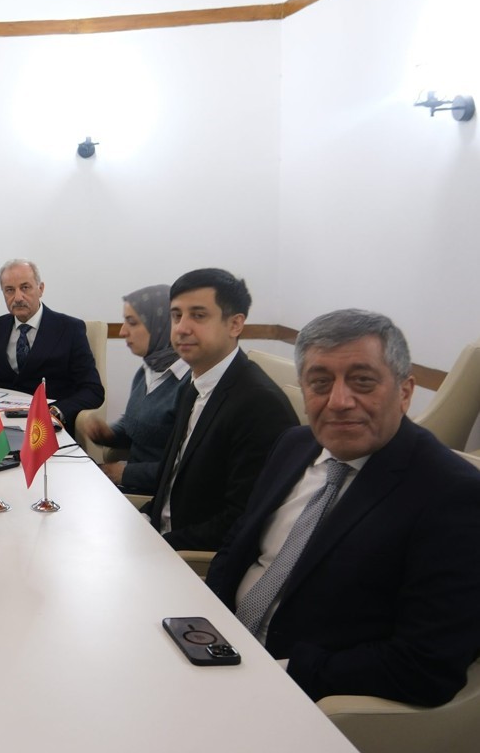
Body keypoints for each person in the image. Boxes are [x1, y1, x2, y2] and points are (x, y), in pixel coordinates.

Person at [207, 310, 480, 706]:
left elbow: (426, 665)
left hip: (304, 695)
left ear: (405, 392)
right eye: (320, 382)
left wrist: (281, 673)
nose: (339, 402)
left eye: (362, 381)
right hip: (219, 651)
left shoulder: (452, 494)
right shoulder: (293, 445)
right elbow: (238, 544)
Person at [142, 268, 298, 551]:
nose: (182, 328)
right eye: (176, 316)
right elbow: (171, 485)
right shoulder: (194, 384)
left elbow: (241, 520)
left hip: (191, 559)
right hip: (163, 538)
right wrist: (139, 522)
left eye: (198, 315)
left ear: (235, 324)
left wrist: (158, 546)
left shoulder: (260, 405)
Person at [0, 259, 104, 427]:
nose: (18, 297)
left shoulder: (69, 329)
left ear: (41, 289)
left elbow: (92, 390)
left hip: (48, 427)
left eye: (25, 287)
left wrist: (56, 412)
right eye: (9, 290)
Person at [84, 285, 191, 495]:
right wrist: (108, 434)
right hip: (131, 484)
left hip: (156, 496)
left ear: (160, 324)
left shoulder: (190, 383)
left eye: (132, 322)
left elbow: (188, 469)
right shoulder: (147, 370)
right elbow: (139, 425)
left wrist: (124, 473)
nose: (122, 331)